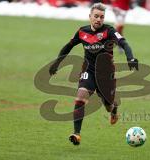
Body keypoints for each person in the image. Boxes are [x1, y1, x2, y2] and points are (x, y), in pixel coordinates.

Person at [49, 2, 138, 145]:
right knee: (81, 96)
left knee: (108, 106)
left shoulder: (109, 30)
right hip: (88, 71)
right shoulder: (82, 32)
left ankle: (114, 109)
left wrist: (130, 57)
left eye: (101, 17)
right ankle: (76, 133)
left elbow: (124, 43)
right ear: (90, 16)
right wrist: (56, 63)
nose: (99, 19)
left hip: (106, 75)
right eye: (96, 16)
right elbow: (68, 47)